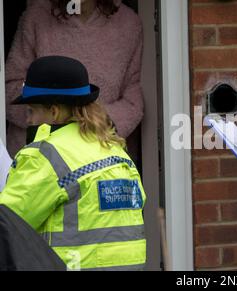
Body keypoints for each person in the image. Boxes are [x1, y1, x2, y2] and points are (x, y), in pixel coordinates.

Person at [0, 56, 147, 271]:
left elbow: (7, 221)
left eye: (31, 111)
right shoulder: (116, 151)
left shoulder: (47, 155)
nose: (28, 120)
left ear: (53, 111)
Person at [5, 0, 144, 164]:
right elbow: (8, 90)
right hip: (37, 160)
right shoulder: (37, 16)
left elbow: (133, 101)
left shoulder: (128, 24)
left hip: (100, 156)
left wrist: (90, 125)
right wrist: (57, 120)